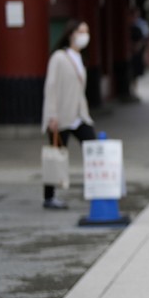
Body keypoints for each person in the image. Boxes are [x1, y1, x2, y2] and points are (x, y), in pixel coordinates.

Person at [40, 20, 96, 210]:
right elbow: (51, 87)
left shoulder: (81, 57)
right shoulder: (59, 57)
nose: (85, 35)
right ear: (71, 33)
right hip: (61, 115)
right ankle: (49, 197)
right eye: (81, 31)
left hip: (80, 115)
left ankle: (96, 187)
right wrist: (51, 116)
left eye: (87, 31)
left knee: (93, 147)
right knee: (55, 155)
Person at [128, 8, 149, 102]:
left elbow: (142, 41)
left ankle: (134, 92)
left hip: (136, 55)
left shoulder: (138, 28)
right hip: (130, 56)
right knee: (130, 74)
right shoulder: (128, 28)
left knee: (135, 75)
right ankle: (130, 91)